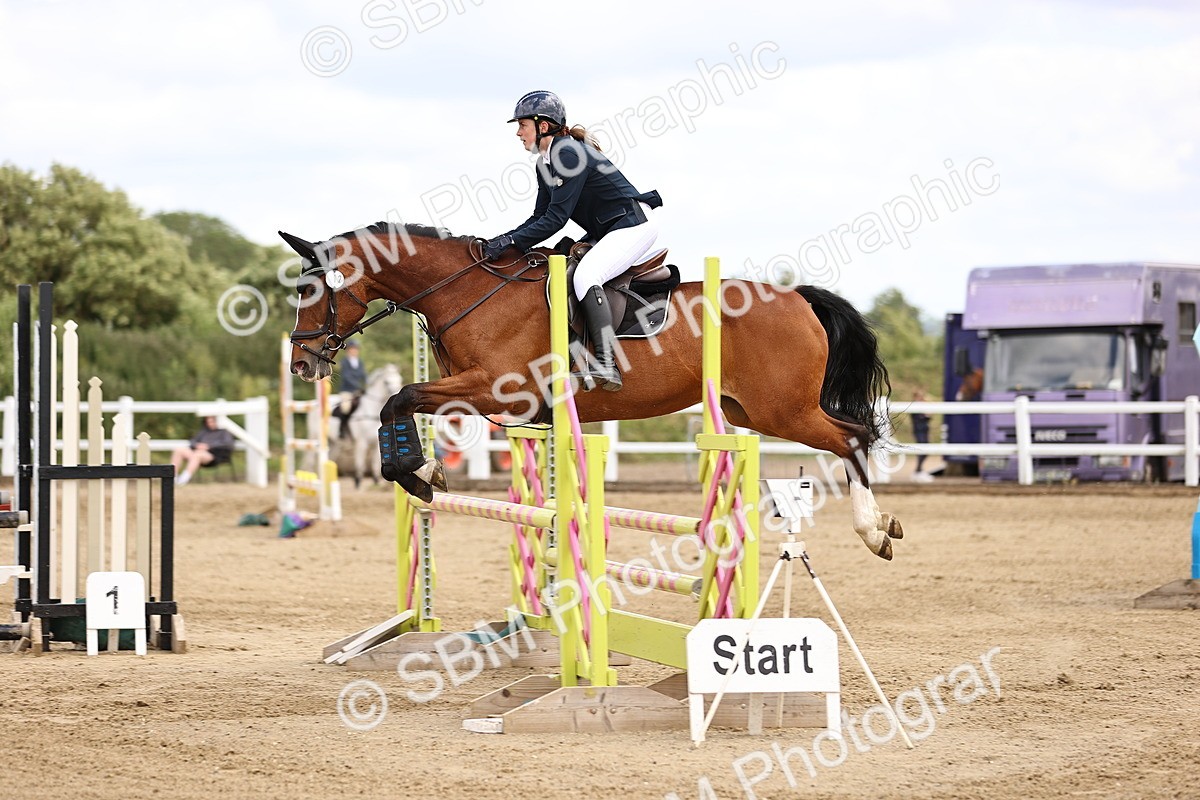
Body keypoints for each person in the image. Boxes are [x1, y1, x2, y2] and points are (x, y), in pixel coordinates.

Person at [482, 90, 664, 392]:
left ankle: (607, 364)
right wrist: (506, 240)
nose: (517, 132)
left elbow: (556, 219)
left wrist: (512, 241)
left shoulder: (567, 153)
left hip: (633, 225)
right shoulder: (545, 163)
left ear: (543, 126)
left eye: (522, 125)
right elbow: (540, 216)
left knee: (585, 276)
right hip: (608, 228)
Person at [171, 416, 235, 485]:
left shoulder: (224, 432)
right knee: (179, 450)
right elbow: (193, 441)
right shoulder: (203, 431)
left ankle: (183, 480)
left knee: (198, 454)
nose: (210, 424)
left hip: (213, 455)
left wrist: (209, 446)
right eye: (208, 422)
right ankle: (173, 477)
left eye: (212, 422)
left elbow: (227, 444)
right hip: (196, 453)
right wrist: (197, 445)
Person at [333, 340, 367, 438]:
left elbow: (364, 375)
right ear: (348, 350)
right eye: (352, 349)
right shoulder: (344, 362)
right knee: (346, 408)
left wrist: (367, 385)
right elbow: (346, 377)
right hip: (347, 390)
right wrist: (359, 387)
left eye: (356, 349)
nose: (354, 351)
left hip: (358, 391)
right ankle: (342, 430)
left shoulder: (359, 362)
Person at [911, 389, 932, 482]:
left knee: (926, 451)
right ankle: (918, 470)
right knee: (922, 451)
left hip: (924, 430)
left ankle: (919, 469)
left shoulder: (921, 406)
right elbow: (921, 418)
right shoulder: (914, 407)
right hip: (919, 431)